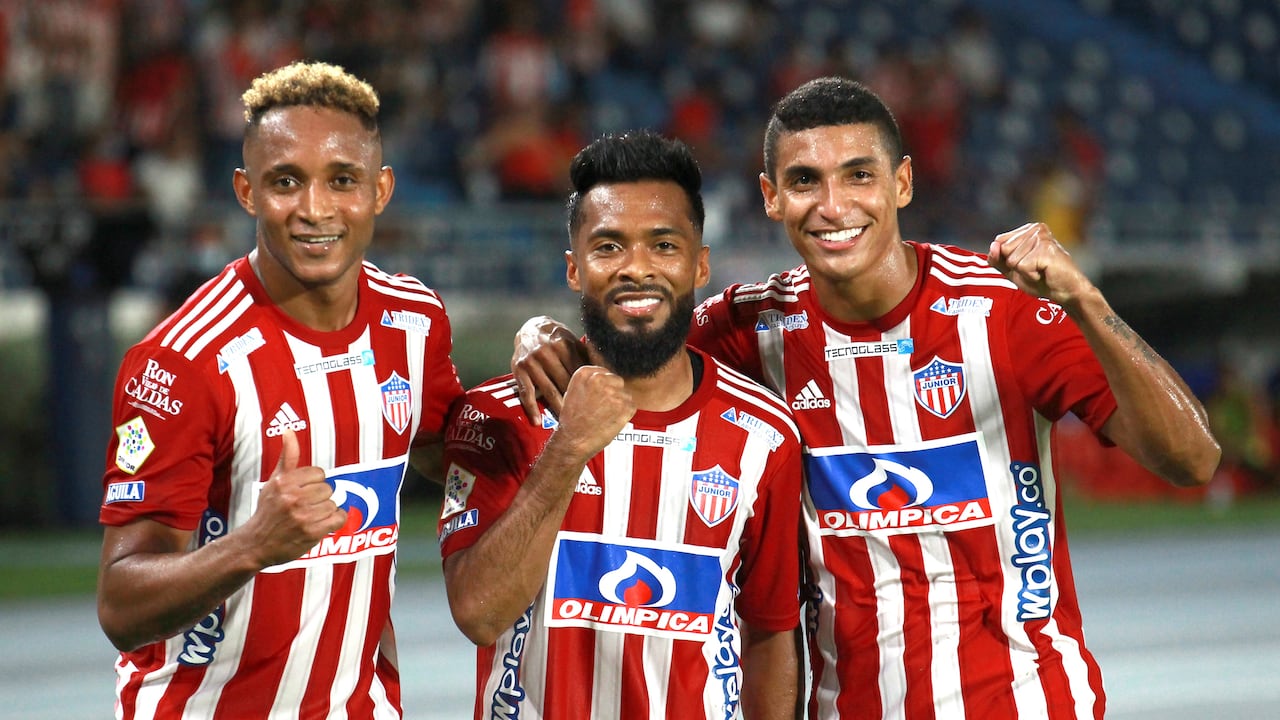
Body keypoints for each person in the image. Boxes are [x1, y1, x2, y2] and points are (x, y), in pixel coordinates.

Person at [511, 77, 1222, 719]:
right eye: (804, 181)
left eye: (858, 176)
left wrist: (1087, 303)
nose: (833, 206)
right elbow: (628, 342)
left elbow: (1192, 460)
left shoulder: (1000, 311)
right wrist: (538, 331)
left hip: (1026, 701)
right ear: (770, 197)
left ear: (902, 182)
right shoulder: (748, 326)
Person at [96, 60, 464, 719]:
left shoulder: (414, 322)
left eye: (342, 181)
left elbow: (450, 447)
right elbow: (121, 606)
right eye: (286, 182)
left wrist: (543, 344)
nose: (315, 209)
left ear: (381, 190)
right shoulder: (183, 361)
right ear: (246, 191)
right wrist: (252, 545)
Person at [440, 130, 804, 719]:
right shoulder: (503, 413)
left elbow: (769, 632)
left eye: (663, 246)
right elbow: (479, 613)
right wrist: (569, 448)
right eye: (608, 247)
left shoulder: (766, 436)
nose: (637, 269)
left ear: (700, 264)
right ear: (573, 270)